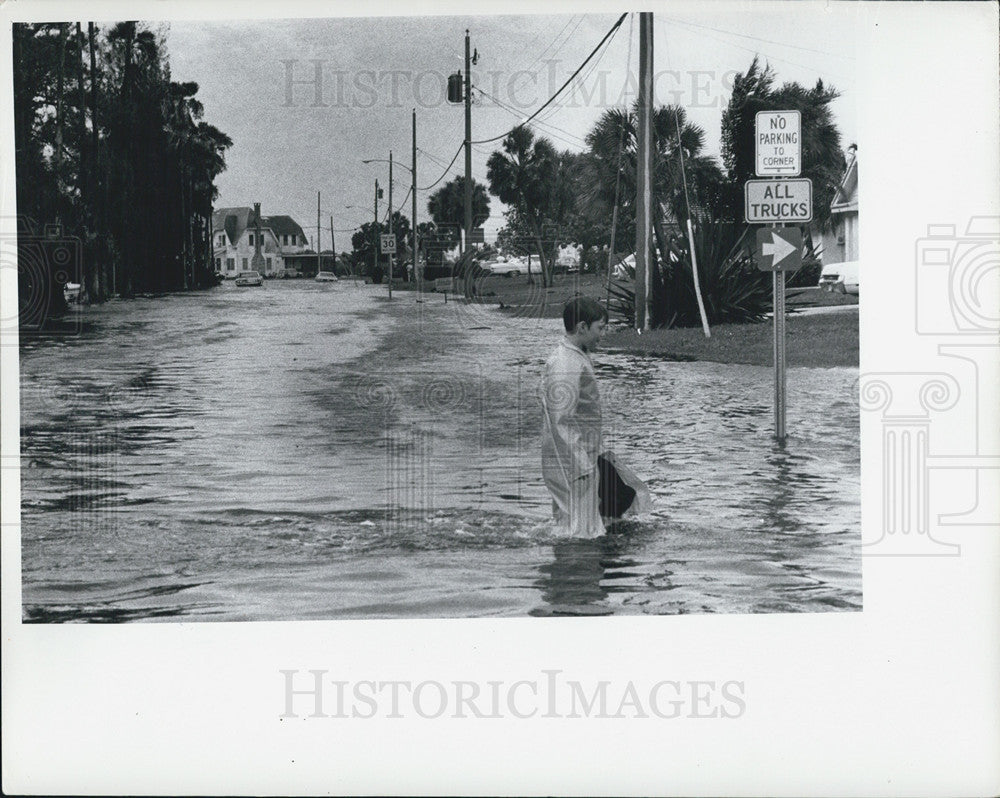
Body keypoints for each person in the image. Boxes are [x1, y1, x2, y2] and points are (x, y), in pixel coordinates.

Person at [540, 297, 609, 538]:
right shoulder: (565, 363)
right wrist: (581, 463)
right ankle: (575, 571)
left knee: (575, 527)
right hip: (574, 461)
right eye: (600, 328)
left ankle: (573, 568)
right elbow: (560, 420)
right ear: (582, 327)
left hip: (581, 457)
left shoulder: (575, 356)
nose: (603, 334)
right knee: (581, 534)